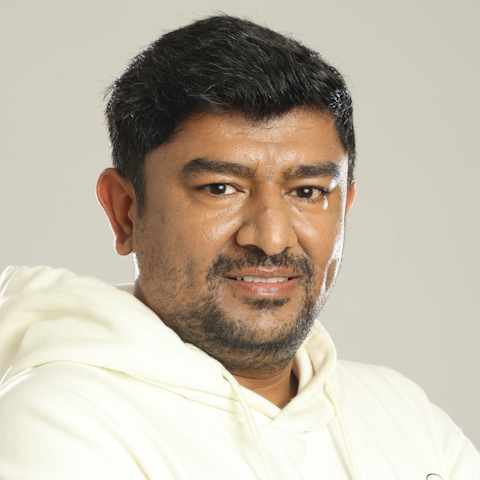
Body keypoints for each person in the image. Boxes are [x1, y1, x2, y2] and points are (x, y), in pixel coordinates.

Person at [0, 14, 478, 480]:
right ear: (125, 210)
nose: (271, 239)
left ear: (345, 206)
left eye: (307, 191)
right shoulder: (59, 420)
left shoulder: (405, 418)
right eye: (220, 188)